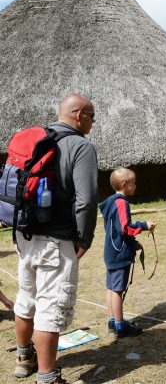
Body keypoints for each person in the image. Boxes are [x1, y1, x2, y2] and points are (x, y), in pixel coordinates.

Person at [13, 94, 98, 384]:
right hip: (57, 239)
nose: (93, 122)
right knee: (51, 308)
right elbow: (87, 201)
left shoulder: (36, 140)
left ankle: (24, 359)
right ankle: (47, 377)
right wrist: (84, 239)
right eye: (92, 116)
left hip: (24, 234)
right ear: (79, 114)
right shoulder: (81, 146)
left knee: (26, 299)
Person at [99, 167, 156, 339]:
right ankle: (120, 325)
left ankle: (112, 320)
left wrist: (132, 243)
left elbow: (115, 230)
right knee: (117, 290)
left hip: (111, 251)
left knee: (111, 288)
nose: (135, 186)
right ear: (124, 185)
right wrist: (144, 225)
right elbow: (125, 227)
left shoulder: (110, 201)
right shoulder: (121, 203)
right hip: (119, 254)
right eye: (133, 183)